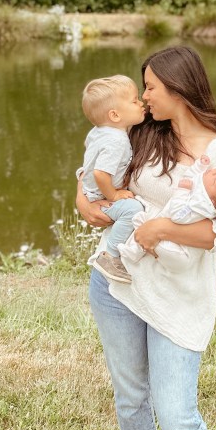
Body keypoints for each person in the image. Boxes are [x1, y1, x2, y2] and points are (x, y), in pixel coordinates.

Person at [77, 45, 216, 430]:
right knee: (131, 395)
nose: (143, 95)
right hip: (117, 285)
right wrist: (80, 200)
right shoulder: (138, 134)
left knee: (176, 412)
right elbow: (91, 173)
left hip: (177, 297)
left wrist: (160, 228)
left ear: (178, 89)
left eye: (150, 86)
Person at [119, 157, 216, 274]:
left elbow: (178, 215)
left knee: (145, 233)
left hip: (175, 249)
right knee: (141, 223)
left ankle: (132, 253)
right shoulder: (204, 188)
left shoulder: (200, 205)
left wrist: (182, 191)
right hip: (157, 235)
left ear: (211, 201)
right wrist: (200, 166)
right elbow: (191, 177)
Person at [79, 74, 147, 284]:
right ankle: (110, 256)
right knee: (133, 210)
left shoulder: (100, 131)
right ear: (115, 115)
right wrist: (114, 194)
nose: (141, 102)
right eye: (135, 101)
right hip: (101, 197)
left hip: (90, 192)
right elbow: (101, 173)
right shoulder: (116, 140)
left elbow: (88, 148)